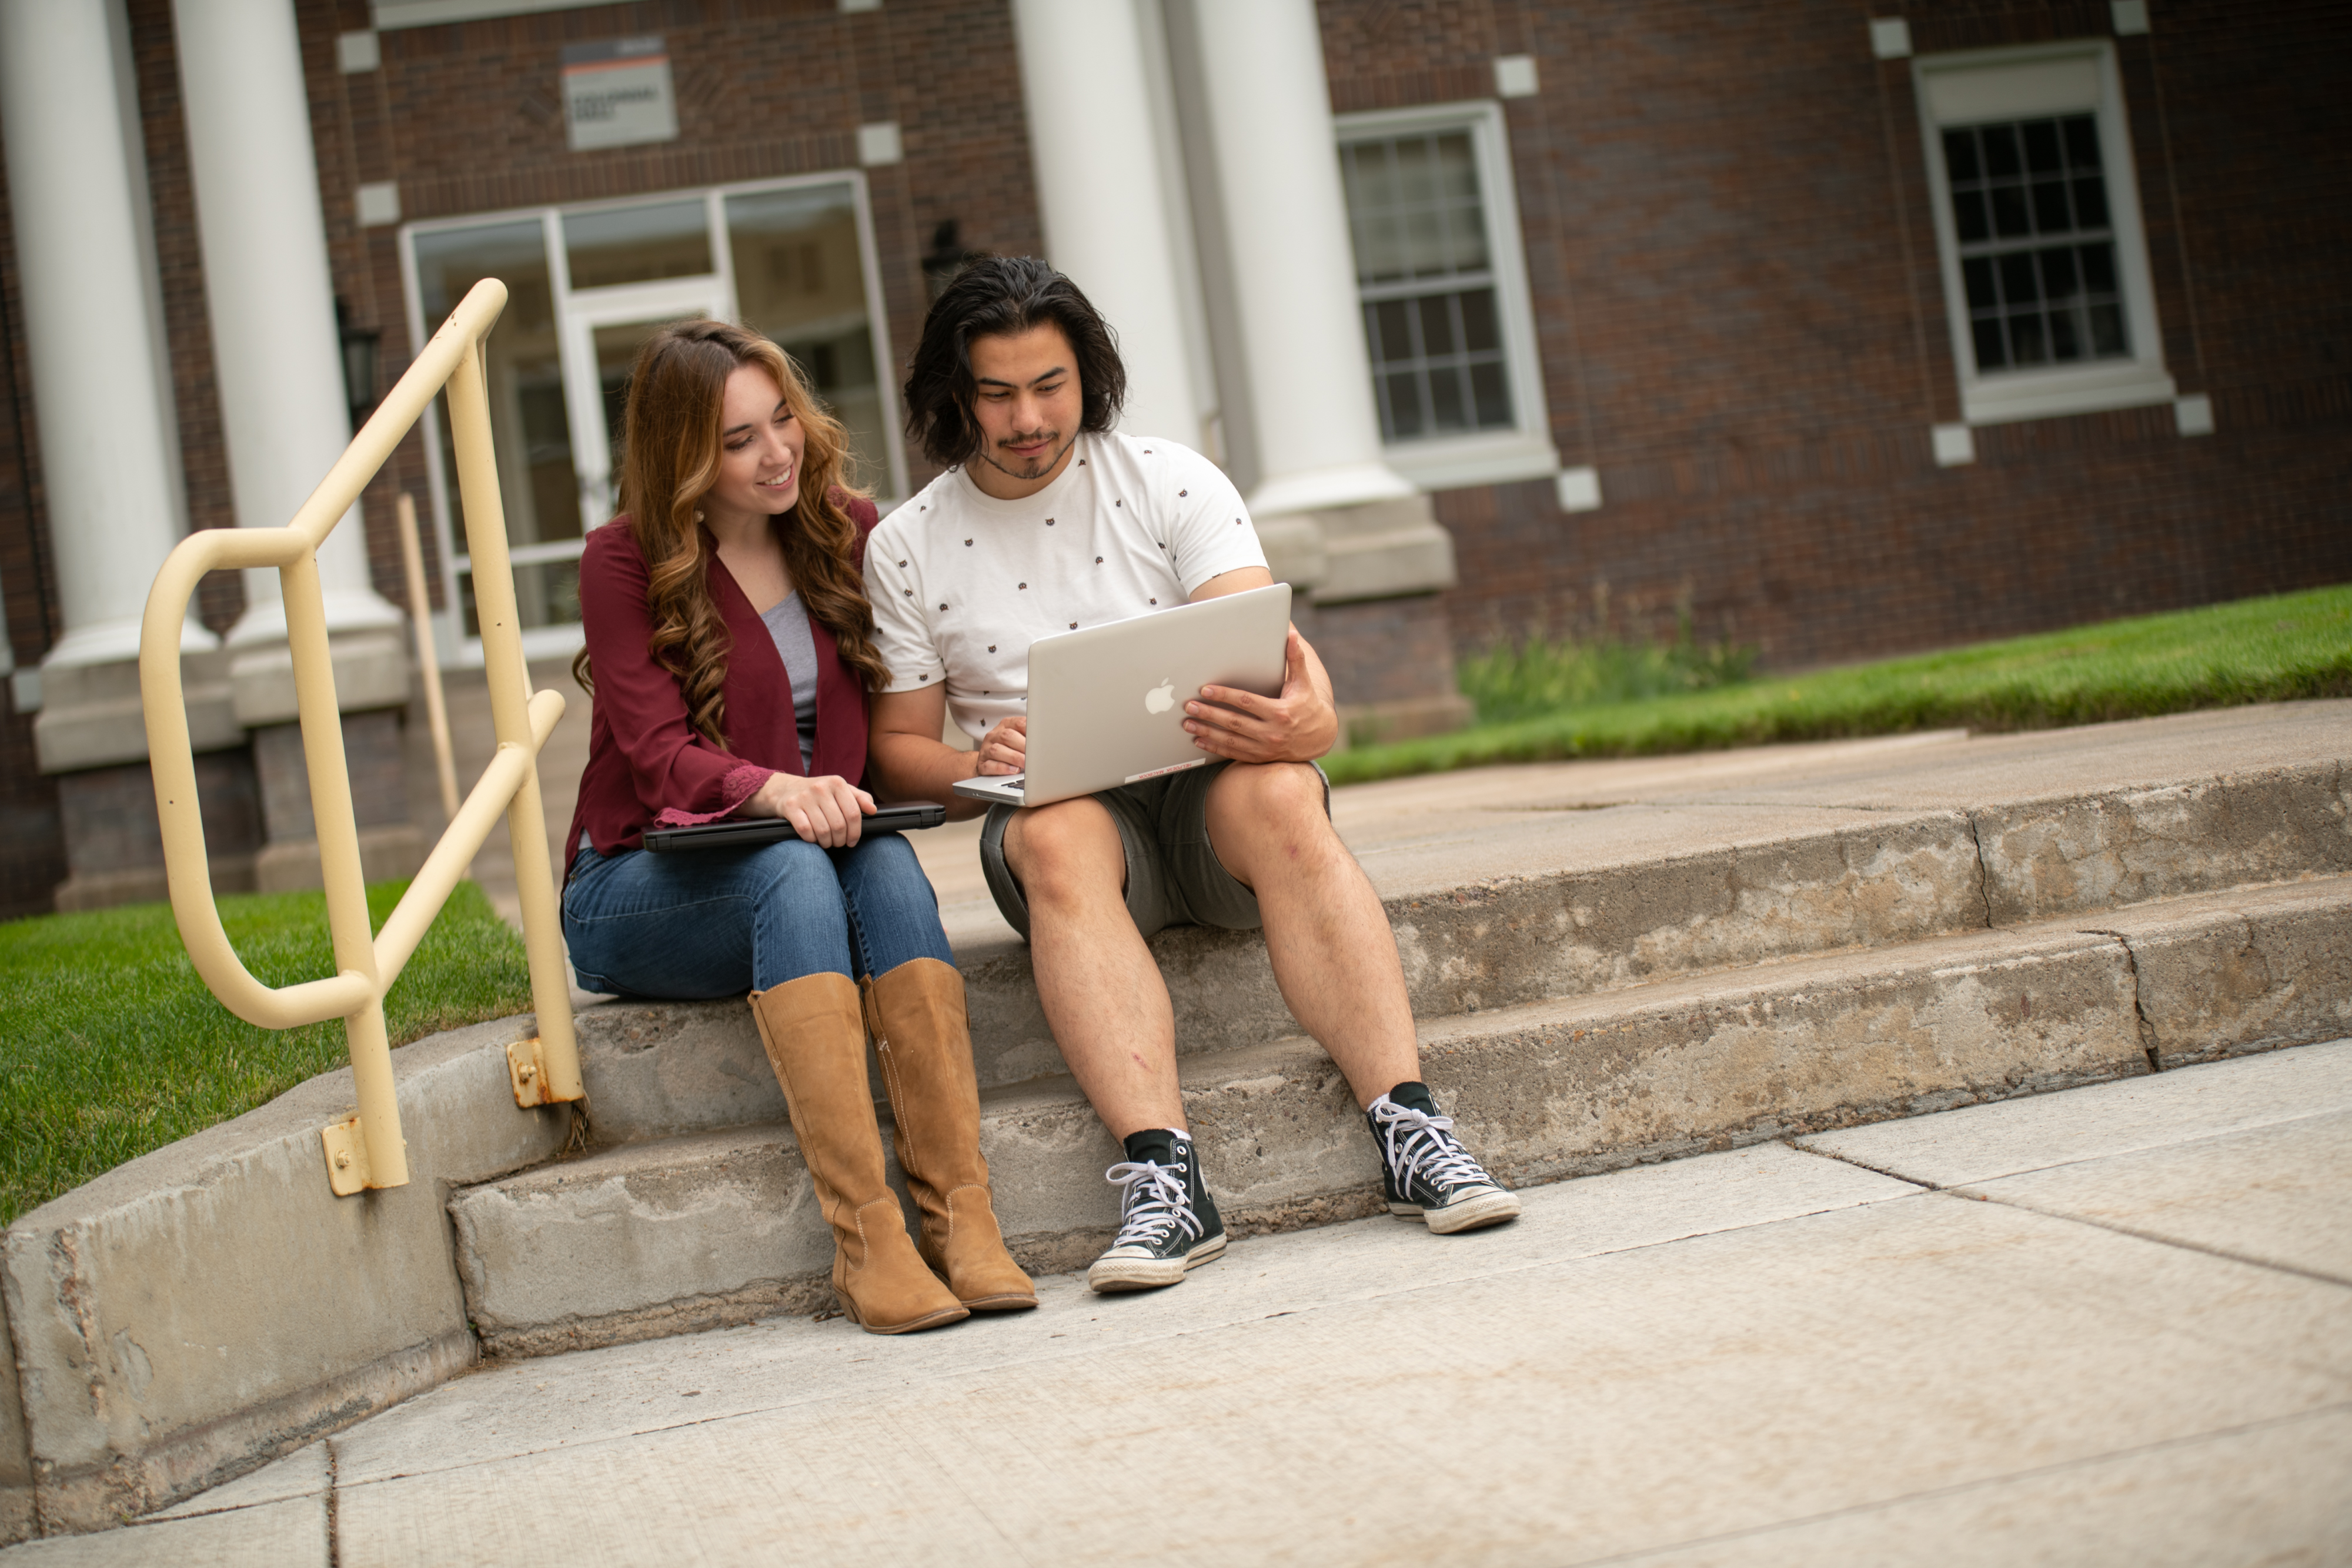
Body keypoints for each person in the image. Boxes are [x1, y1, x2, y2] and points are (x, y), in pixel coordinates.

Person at [863, 257, 1520, 1296]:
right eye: (996, 393)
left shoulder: (1170, 480)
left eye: (1050, 386)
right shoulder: (907, 545)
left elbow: (1265, 651)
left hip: (1209, 807)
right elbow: (896, 747)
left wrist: (1305, 717)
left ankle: (1411, 1128)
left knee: (1281, 790)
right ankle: (1169, 1184)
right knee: (1056, 829)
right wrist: (967, 761)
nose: (1028, 417)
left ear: (1090, 377)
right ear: (954, 397)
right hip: (1062, 830)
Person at [561, 318, 1034, 1335]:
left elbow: (891, 721)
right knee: (794, 873)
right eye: (738, 440)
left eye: (782, 420)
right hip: (638, 883)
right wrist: (775, 790)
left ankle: (963, 1219)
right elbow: (655, 757)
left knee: (892, 871)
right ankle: (868, 1240)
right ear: (683, 451)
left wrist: (974, 762)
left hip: (817, 853)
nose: (776, 452)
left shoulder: (843, 527)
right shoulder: (623, 561)